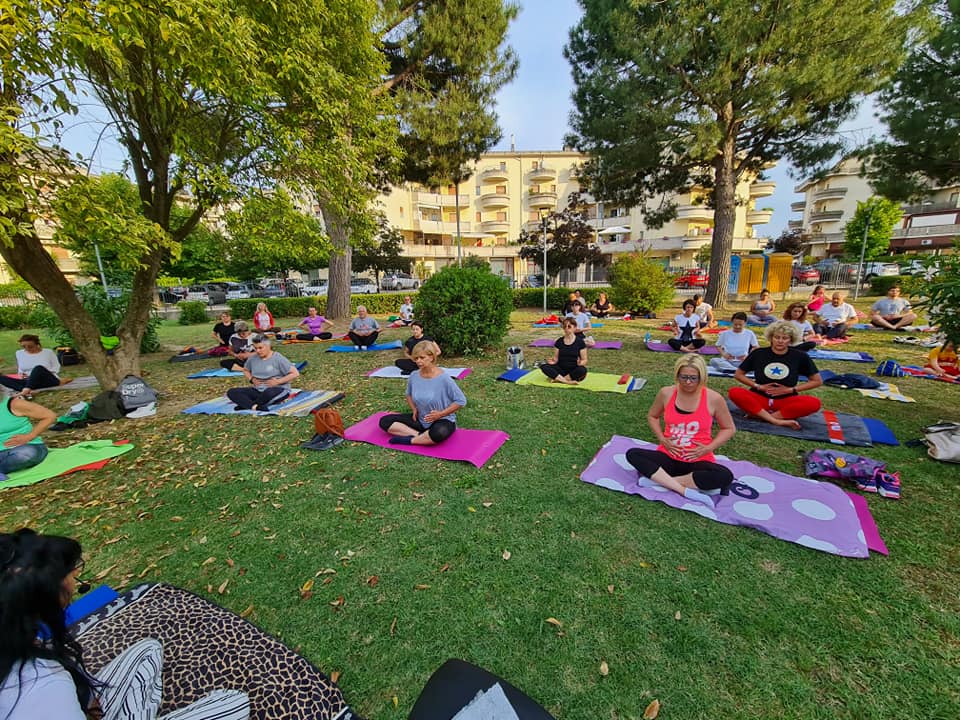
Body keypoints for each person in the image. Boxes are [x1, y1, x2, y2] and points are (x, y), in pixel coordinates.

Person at [0, 528, 250, 720]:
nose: (75, 585)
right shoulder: (44, 687)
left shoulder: (17, 643)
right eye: (69, 580)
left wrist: (86, 699)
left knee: (148, 649)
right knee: (234, 702)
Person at [625, 354, 736, 507]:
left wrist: (708, 448)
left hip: (697, 459)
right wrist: (662, 439)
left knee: (725, 476)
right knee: (633, 454)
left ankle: (662, 482)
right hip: (668, 456)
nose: (688, 382)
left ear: (702, 377)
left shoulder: (713, 398)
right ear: (677, 375)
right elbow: (652, 416)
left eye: (693, 378)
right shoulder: (666, 393)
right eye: (684, 377)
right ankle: (685, 489)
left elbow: (729, 428)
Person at [729, 321, 824, 430]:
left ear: (791, 340)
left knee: (814, 403)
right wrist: (758, 386)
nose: (780, 341)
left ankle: (762, 417)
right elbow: (738, 375)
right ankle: (775, 420)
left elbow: (817, 381)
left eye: (785, 338)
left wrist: (790, 390)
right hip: (760, 397)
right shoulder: (759, 353)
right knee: (735, 392)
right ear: (771, 338)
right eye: (777, 337)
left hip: (786, 400)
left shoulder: (800, 356)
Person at [378, 340, 466, 445]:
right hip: (420, 419)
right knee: (384, 421)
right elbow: (408, 394)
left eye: (422, 358)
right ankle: (420, 436)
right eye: (416, 358)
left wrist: (440, 414)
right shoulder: (414, 375)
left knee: (438, 433)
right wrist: (414, 409)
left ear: (432, 357)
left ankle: (410, 440)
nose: (418, 361)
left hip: (442, 419)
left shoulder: (444, 378)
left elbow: (461, 401)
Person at [226, 336, 299, 411]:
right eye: (255, 348)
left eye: (260, 348)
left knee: (269, 393)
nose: (257, 351)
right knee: (232, 392)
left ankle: (246, 404)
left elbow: (295, 373)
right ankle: (254, 406)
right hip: (258, 390)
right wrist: (251, 379)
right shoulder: (252, 358)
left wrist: (278, 381)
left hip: (278, 389)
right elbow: (246, 370)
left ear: (268, 346)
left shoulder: (278, 358)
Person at [0, 395, 56, 481]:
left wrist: (30, 436)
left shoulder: (14, 404)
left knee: (26, 454)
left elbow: (50, 416)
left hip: (26, 447)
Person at [539, 317, 588, 384]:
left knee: (582, 370)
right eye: (564, 327)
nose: (566, 329)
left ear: (575, 327)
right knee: (544, 366)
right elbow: (556, 359)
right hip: (561, 369)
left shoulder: (580, 342)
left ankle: (559, 379)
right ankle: (566, 381)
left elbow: (584, 359)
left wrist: (580, 363)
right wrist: (551, 361)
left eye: (569, 326)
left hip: (573, 369)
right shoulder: (559, 342)